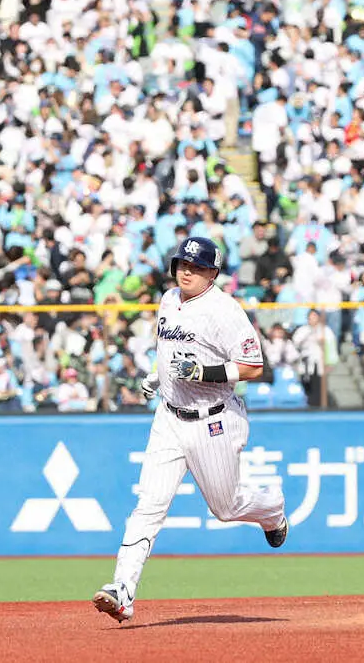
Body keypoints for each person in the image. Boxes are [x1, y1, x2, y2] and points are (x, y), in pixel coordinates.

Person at [92, 237, 287, 624]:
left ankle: (273, 511)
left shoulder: (225, 311)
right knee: (149, 505)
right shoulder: (168, 299)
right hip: (168, 417)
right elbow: (171, 351)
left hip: (213, 420)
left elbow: (253, 366)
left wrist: (204, 372)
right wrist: (158, 376)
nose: (187, 271)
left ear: (212, 274)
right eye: (183, 263)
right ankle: (122, 590)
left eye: (197, 267)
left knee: (226, 508)